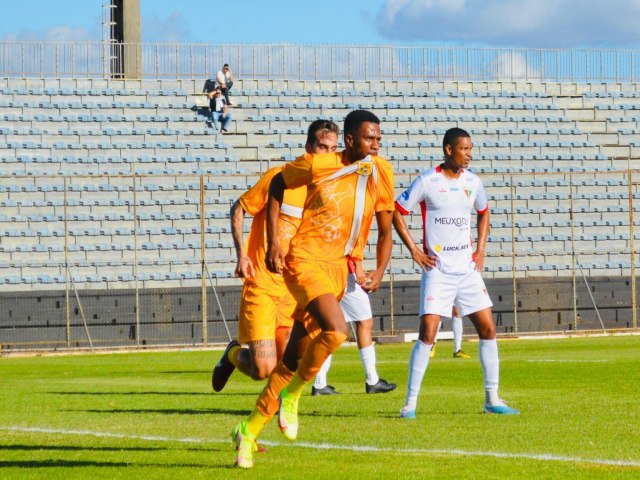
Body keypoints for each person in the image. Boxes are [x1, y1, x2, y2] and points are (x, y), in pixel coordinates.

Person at [231, 110, 395, 469]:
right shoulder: (318, 164)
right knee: (337, 330)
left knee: (291, 360)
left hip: (338, 269)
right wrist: (275, 241)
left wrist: (380, 268)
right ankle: (293, 396)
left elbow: (386, 229)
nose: (377, 144)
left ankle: (248, 430)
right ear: (350, 140)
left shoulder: (380, 171)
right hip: (304, 260)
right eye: (370, 138)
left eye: (379, 138)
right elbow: (277, 185)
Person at [392, 127, 519, 419]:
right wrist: (413, 249)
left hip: (467, 269)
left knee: (488, 328)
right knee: (428, 333)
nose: (469, 154)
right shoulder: (428, 181)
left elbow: (484, 211)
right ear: (448, 149)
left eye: (471, 149)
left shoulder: (473, 182)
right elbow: (396, 211)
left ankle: (492, 398)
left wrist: (481, 249)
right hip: (438, 270)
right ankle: (410, 403)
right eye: (464, 149)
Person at [211, 120, 340, 392]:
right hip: (263, 283)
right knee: (262, 368)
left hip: (294, 288)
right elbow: (239, 208)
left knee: (293, 357)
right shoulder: (280, 177)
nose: (328, 155)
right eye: (322, 147)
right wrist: (241, 255)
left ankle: (277, 407)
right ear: (308, 148)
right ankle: (233, 354)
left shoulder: (328, 191)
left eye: (333, 149)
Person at [312, 259, 397, 395]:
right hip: (343, 271)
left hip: (324, 269)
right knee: (364, 322)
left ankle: (319, 382)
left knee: (329, 326)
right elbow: (350, 242)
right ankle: (372, 380)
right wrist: (358, 265)